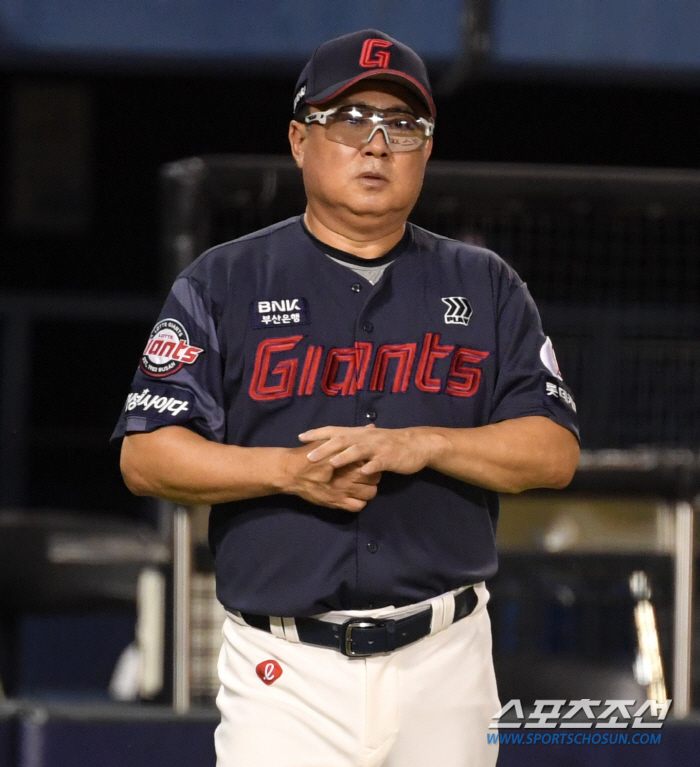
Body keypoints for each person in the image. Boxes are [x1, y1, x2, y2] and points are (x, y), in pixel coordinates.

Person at [113, 28, 580, 767]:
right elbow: (147, 456)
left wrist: (423, 442)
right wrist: (284, 473)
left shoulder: (486, 284)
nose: (377, 143)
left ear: (426, 148)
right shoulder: (224, 281)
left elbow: (553, 451)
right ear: (299, 140)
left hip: (445, 656)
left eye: (402, 124)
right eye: (350, 118)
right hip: (284, 669)